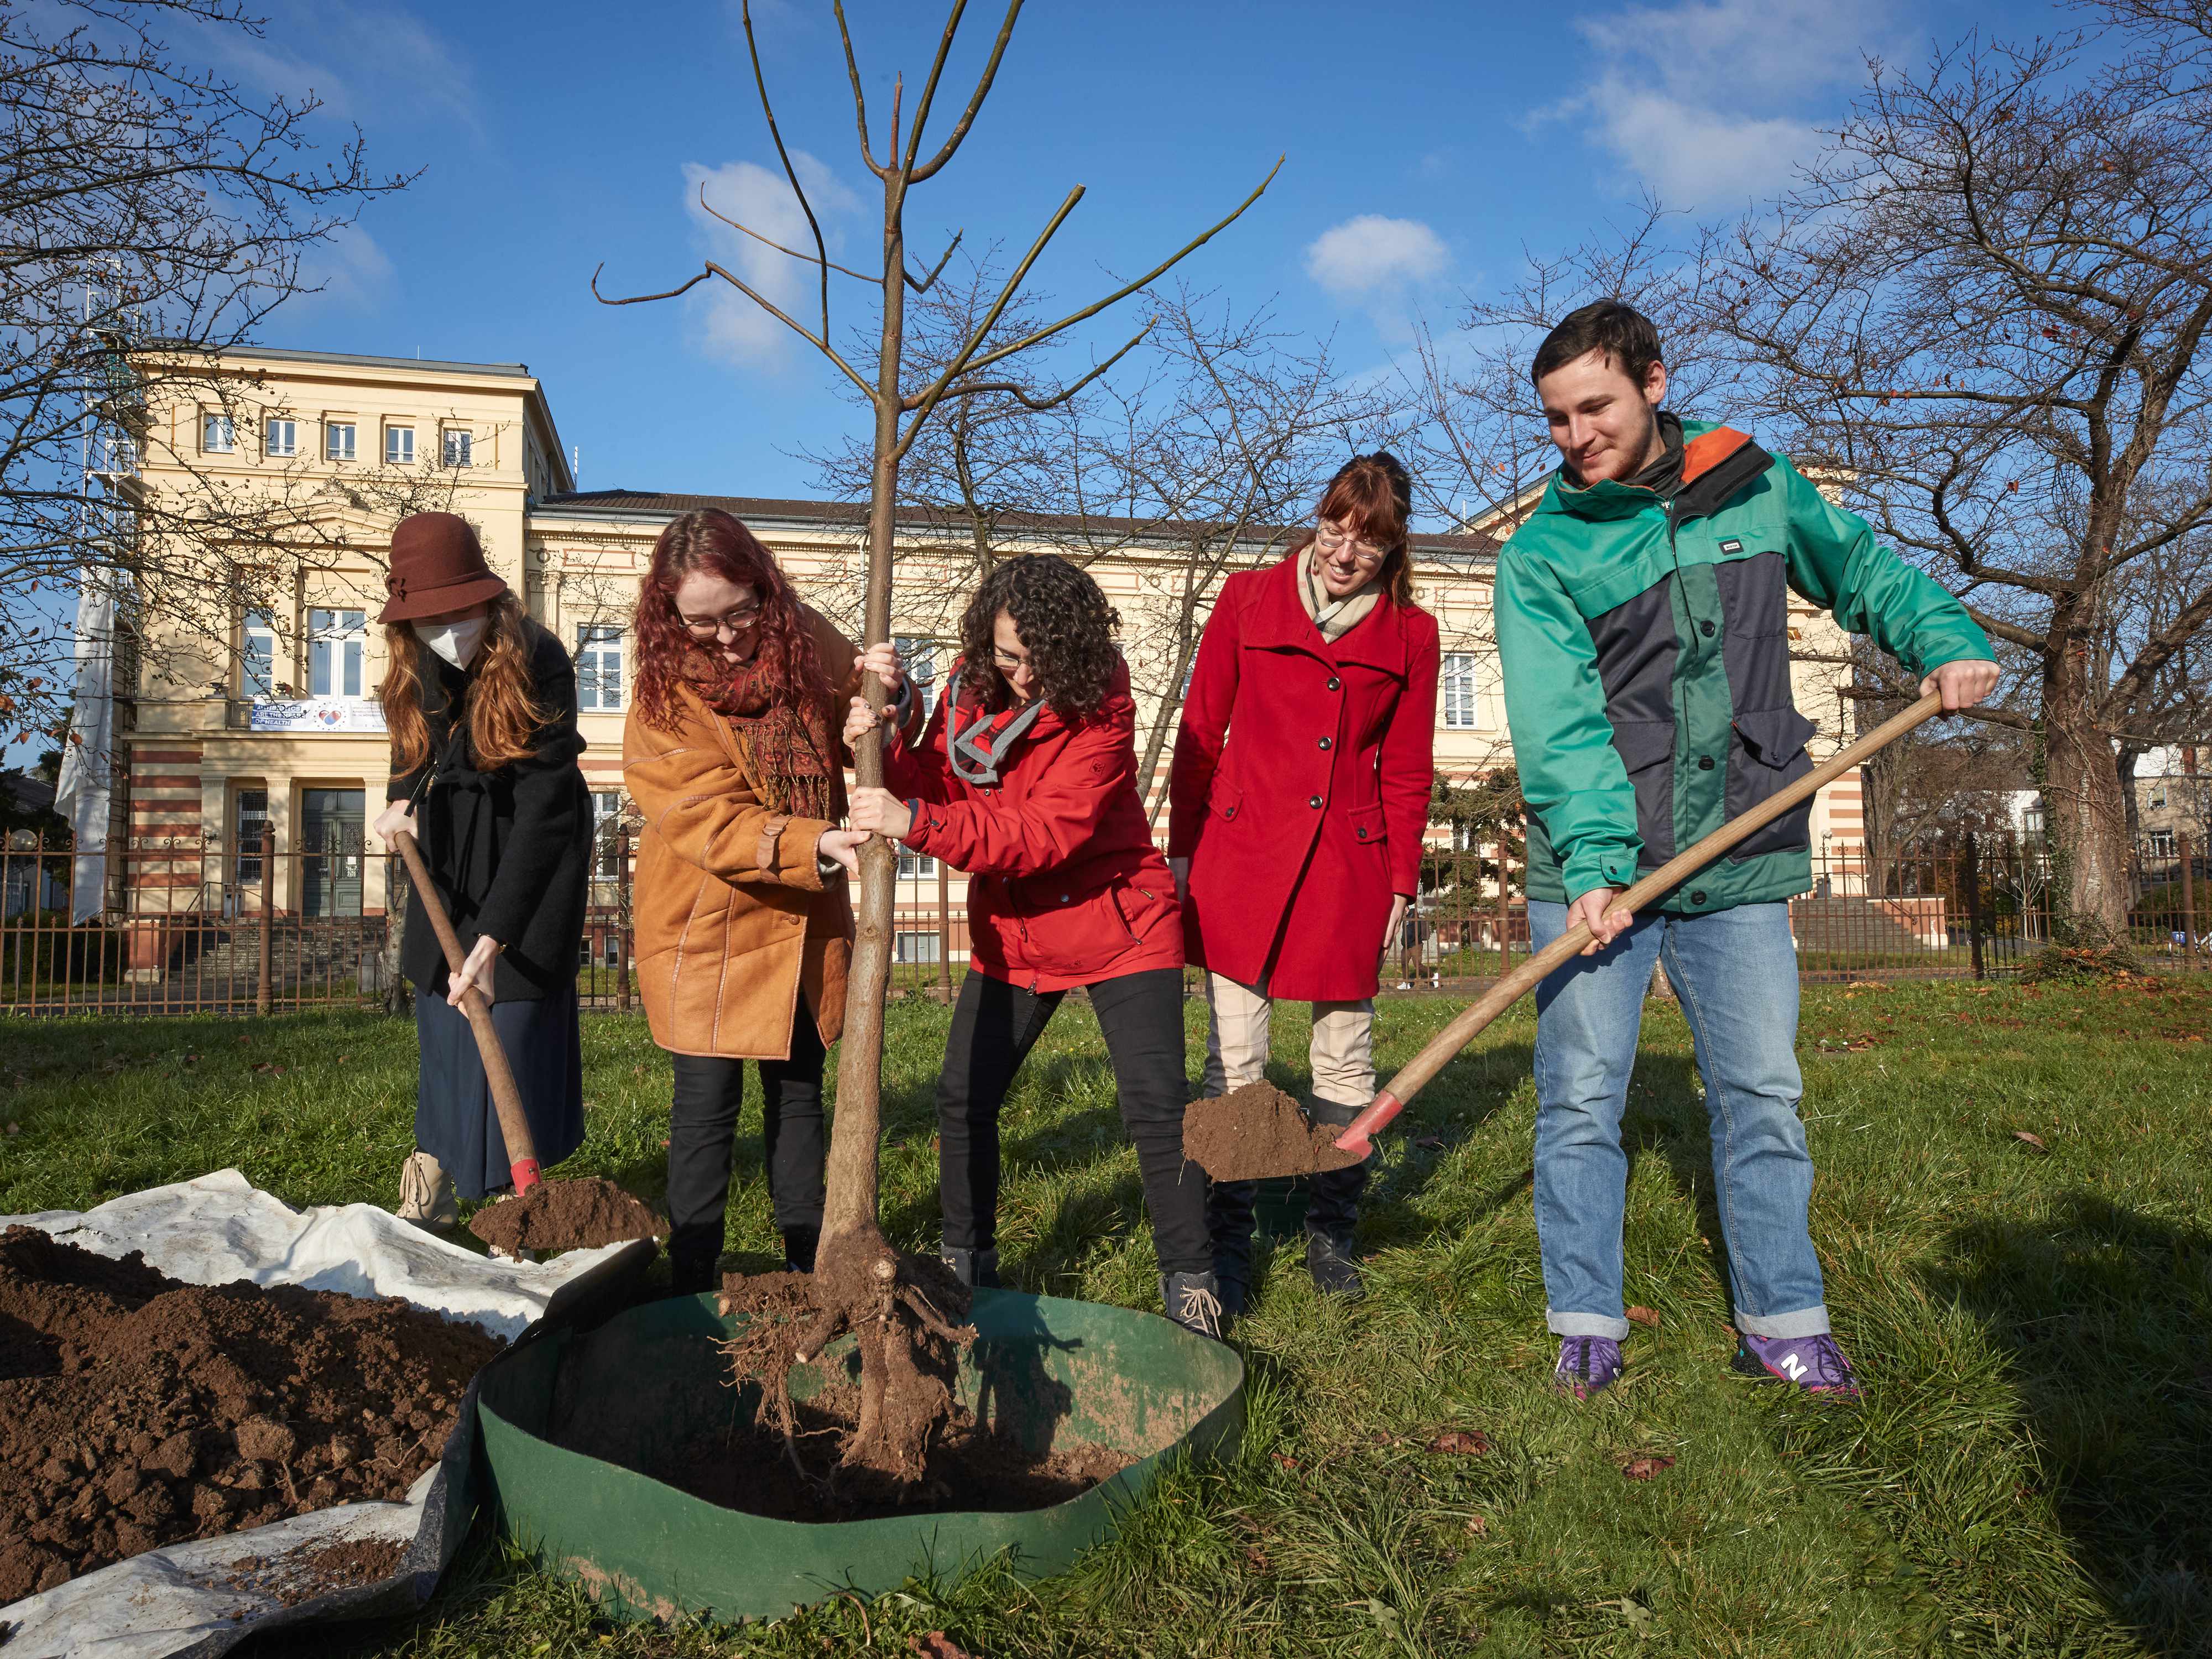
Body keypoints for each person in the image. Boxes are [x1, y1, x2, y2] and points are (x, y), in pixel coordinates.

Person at [1496, 300, 2000, 1399]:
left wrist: (1945, 638)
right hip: (1598, 869)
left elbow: (1860, 572)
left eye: (1594, 407)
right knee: (1581, 1098)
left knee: (1760, 1089)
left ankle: (1782, 1316)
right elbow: (1558, 724)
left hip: (1736, 849)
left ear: (1653, 383)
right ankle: (1586, 1318)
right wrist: (1589, 865)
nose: (1573, 435)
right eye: (1554, 418)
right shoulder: (1541, 553)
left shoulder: (1749, 483)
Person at [843, 555, 1222, 1339]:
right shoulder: (970, 685)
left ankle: (1194, 1288)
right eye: (1008, 654)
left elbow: (1043, 835)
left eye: (1037, 659)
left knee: (1156, 1111)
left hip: (1119, 923)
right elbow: (941, 781)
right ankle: (965, 1271)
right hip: (1015, 934)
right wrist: (882, 736)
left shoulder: (1102, 705)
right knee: (964, 1100)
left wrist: (911, 822)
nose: (1020, 674)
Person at [1167, 453, 1441, 1313]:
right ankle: (1229, 1237)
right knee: (1236, 1057)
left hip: (1347, 870)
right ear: (1318, 519)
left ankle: (1331, 1230)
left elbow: (1407, 766)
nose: (1342, 551)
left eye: (1367, 541)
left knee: (1344, 1053)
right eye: (1334, 527)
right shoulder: (1248, 599)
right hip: (1241, 860)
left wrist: (1400, 879)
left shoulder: (1413, 635)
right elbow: (1201, 731)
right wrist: (1182, 850)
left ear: (1393, 550)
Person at [620, 509, 898, 1296]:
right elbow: (702, 814)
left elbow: (862, 717)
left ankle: (807, 1264)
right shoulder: (663, 692)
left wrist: (879, 693)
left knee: (798, 1093)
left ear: (764, 587)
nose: (726, 636)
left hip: (803, 920)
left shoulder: (805, 636)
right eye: (700, 621)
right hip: (706, 917)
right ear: (668, 613)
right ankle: (694, 1277)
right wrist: (809, 844)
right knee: (706, 1105)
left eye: (739, 611)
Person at [371, 512, 592, 1225]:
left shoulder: (538, 659)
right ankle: (433, 1175)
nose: (446, 629)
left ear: (488, 599)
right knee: (445, 1019)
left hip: (530, 855)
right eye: (428, 617)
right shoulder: (413, 662)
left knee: (514, 1027)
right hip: (448, 857)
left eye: (457, 612)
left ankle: (509, 1208)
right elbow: (411, 753)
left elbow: (545, 813)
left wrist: (495, 939)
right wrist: (399, 802)